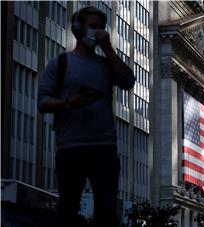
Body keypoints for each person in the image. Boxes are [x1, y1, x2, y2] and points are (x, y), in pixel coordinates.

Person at [38, 6, 135, 227]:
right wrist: (69, 102)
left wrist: (108, 48)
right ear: (78, 29)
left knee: (108, 210)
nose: (99, 31)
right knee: (68, 209)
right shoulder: (60, 64)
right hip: (70, 147)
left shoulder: (106, 65)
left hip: (104, 148)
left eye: (102, 27)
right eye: (93, 26)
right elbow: (43, 102)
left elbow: (128, 81)